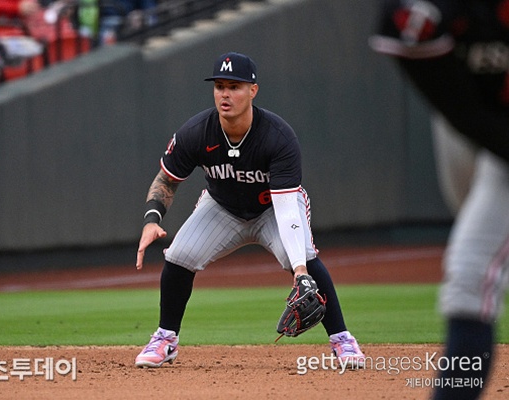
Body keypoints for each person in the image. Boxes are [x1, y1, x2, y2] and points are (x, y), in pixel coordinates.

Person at [134, 51, 365, 368]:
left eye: (234, 86)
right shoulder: (197, 131)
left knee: (303, 257)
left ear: (253, 90)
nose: (225, 94)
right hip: (222, 207)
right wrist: (152, 219)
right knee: (178, 256)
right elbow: (166, 180)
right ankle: (165, 339)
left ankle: (342, 339)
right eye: (219, 86)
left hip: (273, 209)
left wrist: (299, 270)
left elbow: (287, 208)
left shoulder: (277, 136)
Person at [369, 1, 509, 398]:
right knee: (469, 278)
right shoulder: (426, 16)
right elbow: (464, 111)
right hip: (500, 148)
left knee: (471, 273)